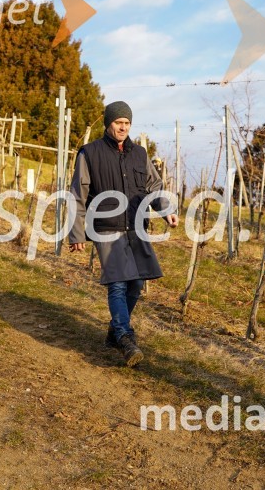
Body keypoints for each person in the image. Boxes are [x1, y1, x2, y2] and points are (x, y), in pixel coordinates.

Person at [68, 101, 178, 367]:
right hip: (105, 227)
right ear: (108, 123)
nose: (123, 127)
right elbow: (77, 195)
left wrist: (166, 210)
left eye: (127, 123)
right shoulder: (89, 153)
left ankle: (115, 329)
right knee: (118, 282)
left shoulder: (140, 154)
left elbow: (154, 186)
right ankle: (125, 336)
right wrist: (77, 234)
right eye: (119, 122)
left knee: (137, 283)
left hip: (136, 225)